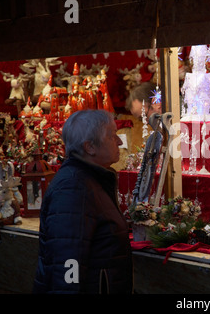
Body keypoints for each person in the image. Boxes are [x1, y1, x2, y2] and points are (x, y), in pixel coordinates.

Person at [33, 110, 133, 294]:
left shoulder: (89, 180)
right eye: (112, 136)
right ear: (90, 147)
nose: (119, 142)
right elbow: (68, 262)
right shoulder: (73, 189)